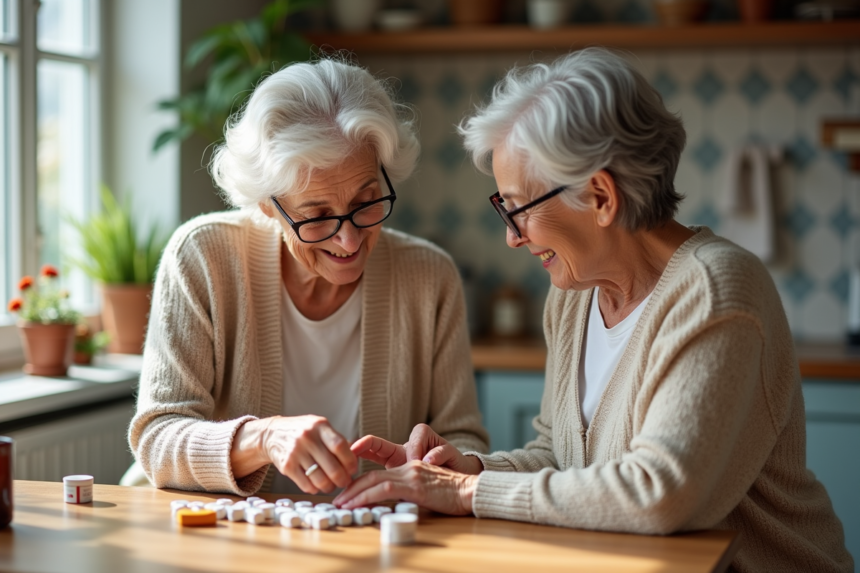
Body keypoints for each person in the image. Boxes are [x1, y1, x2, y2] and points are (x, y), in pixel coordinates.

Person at [333, 49, 853, 572]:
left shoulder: (717, 291)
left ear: (601, 196)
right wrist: (462, 467)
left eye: (517, 209)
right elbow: (560, 459)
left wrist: (469, 491)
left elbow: (659, 493)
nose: (512, 238)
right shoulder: (574, 293)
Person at [127, 58, 488, 496]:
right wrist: (263, 437)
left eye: (366, 202)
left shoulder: (430, 276)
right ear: (266, 204)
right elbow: (156, 438)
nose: (350, 240)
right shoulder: (204, 257)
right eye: (316, 217)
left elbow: (466, 441)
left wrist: (438, 464)